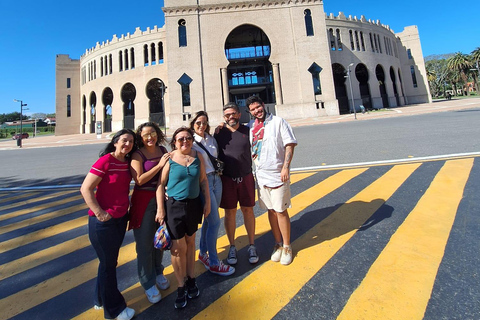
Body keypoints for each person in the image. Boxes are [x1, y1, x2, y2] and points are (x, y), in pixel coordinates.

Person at [80, 129, 137, 320]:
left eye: (130, 141)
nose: (127, 144)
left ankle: (100, 299)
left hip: (120, 219)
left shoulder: (126, 162)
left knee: (108, 262)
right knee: (108, 264)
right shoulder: (106, 161)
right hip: (103, 223)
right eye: (124, 140)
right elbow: (85, 188)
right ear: (115, 142)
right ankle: (114, 310)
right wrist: (99, 213)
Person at [155, 127, 211, 309]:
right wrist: (160, 210)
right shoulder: (169, 158)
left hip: (193, 205)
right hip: (174, 207)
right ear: (175, 142)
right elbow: (160, 185)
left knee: (190, 243)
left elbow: (203, 180)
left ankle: (191, 279)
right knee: (177, 249)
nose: (185, 141)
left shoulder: (197, 157)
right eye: (180, 139)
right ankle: (180, 286)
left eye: (188, 138)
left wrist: (207, 202)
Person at [246, 95, 298, 265]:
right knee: (271, 211)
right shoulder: (251, 127)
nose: (256, 111)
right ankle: (277, 244)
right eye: (252, 109)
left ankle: (287, 245)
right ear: (250, 112)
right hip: (261, 177)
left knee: (281, 211)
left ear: (263, 105)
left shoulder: (278, 122)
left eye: (258, 107)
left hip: (278, 174)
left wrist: (285, 167)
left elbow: (289, 144)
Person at [189, 111, 235, 276]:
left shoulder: (211, 138)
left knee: (209, 220)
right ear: (193, 123)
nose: (202, 126)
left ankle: (203, 253)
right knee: (215, 222)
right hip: (204, 182)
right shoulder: (191, 141)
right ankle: (214, 262)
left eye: (204, 122)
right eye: (198, 123)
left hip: (217, 180)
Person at [129, 122, 170, 304]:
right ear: (140, 137)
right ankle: (147, 282)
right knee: (145, 244)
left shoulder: (162, 149)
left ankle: (158, 270)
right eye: (146, 135)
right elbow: (138, 180)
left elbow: (165, 177)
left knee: (159, 239)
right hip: (143, 200)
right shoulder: (137, 154)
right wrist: (159, 165)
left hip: (160, 197)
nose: (150, 137)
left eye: (153, 133)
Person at [214, 102, 258, 265]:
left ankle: (252, 245)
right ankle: (232, 246)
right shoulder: (219, 132)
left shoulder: (248, 131)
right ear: (223, 117)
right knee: (230, 213)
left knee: (248, 211)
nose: (230, 117)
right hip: (227, 179)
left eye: (233, 114)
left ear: (239, 114)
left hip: (246, 177)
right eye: (227, 115)